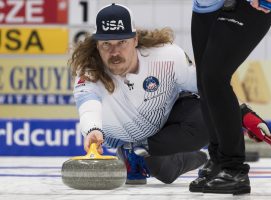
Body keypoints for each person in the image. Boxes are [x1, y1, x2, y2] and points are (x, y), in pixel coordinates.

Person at [69, 3, 210, 185]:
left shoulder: (167, 56)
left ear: (135, 40)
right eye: (106, 44)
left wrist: (241, 115)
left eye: (122, 42)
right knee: (164, 171)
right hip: (120, 135)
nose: (115, 52)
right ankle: (131, 151)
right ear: (97, 45)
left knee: (208, 116)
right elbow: (88, 104)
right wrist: (93, 130)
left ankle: (202, 156)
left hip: (163, 127)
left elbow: (210, 88)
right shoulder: (89, 70)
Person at [189, 0, 271, 195]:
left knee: (214, 77)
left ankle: (234, 169)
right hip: (206, 5)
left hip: (244, 5)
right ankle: (219, 161)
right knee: (205, 83)